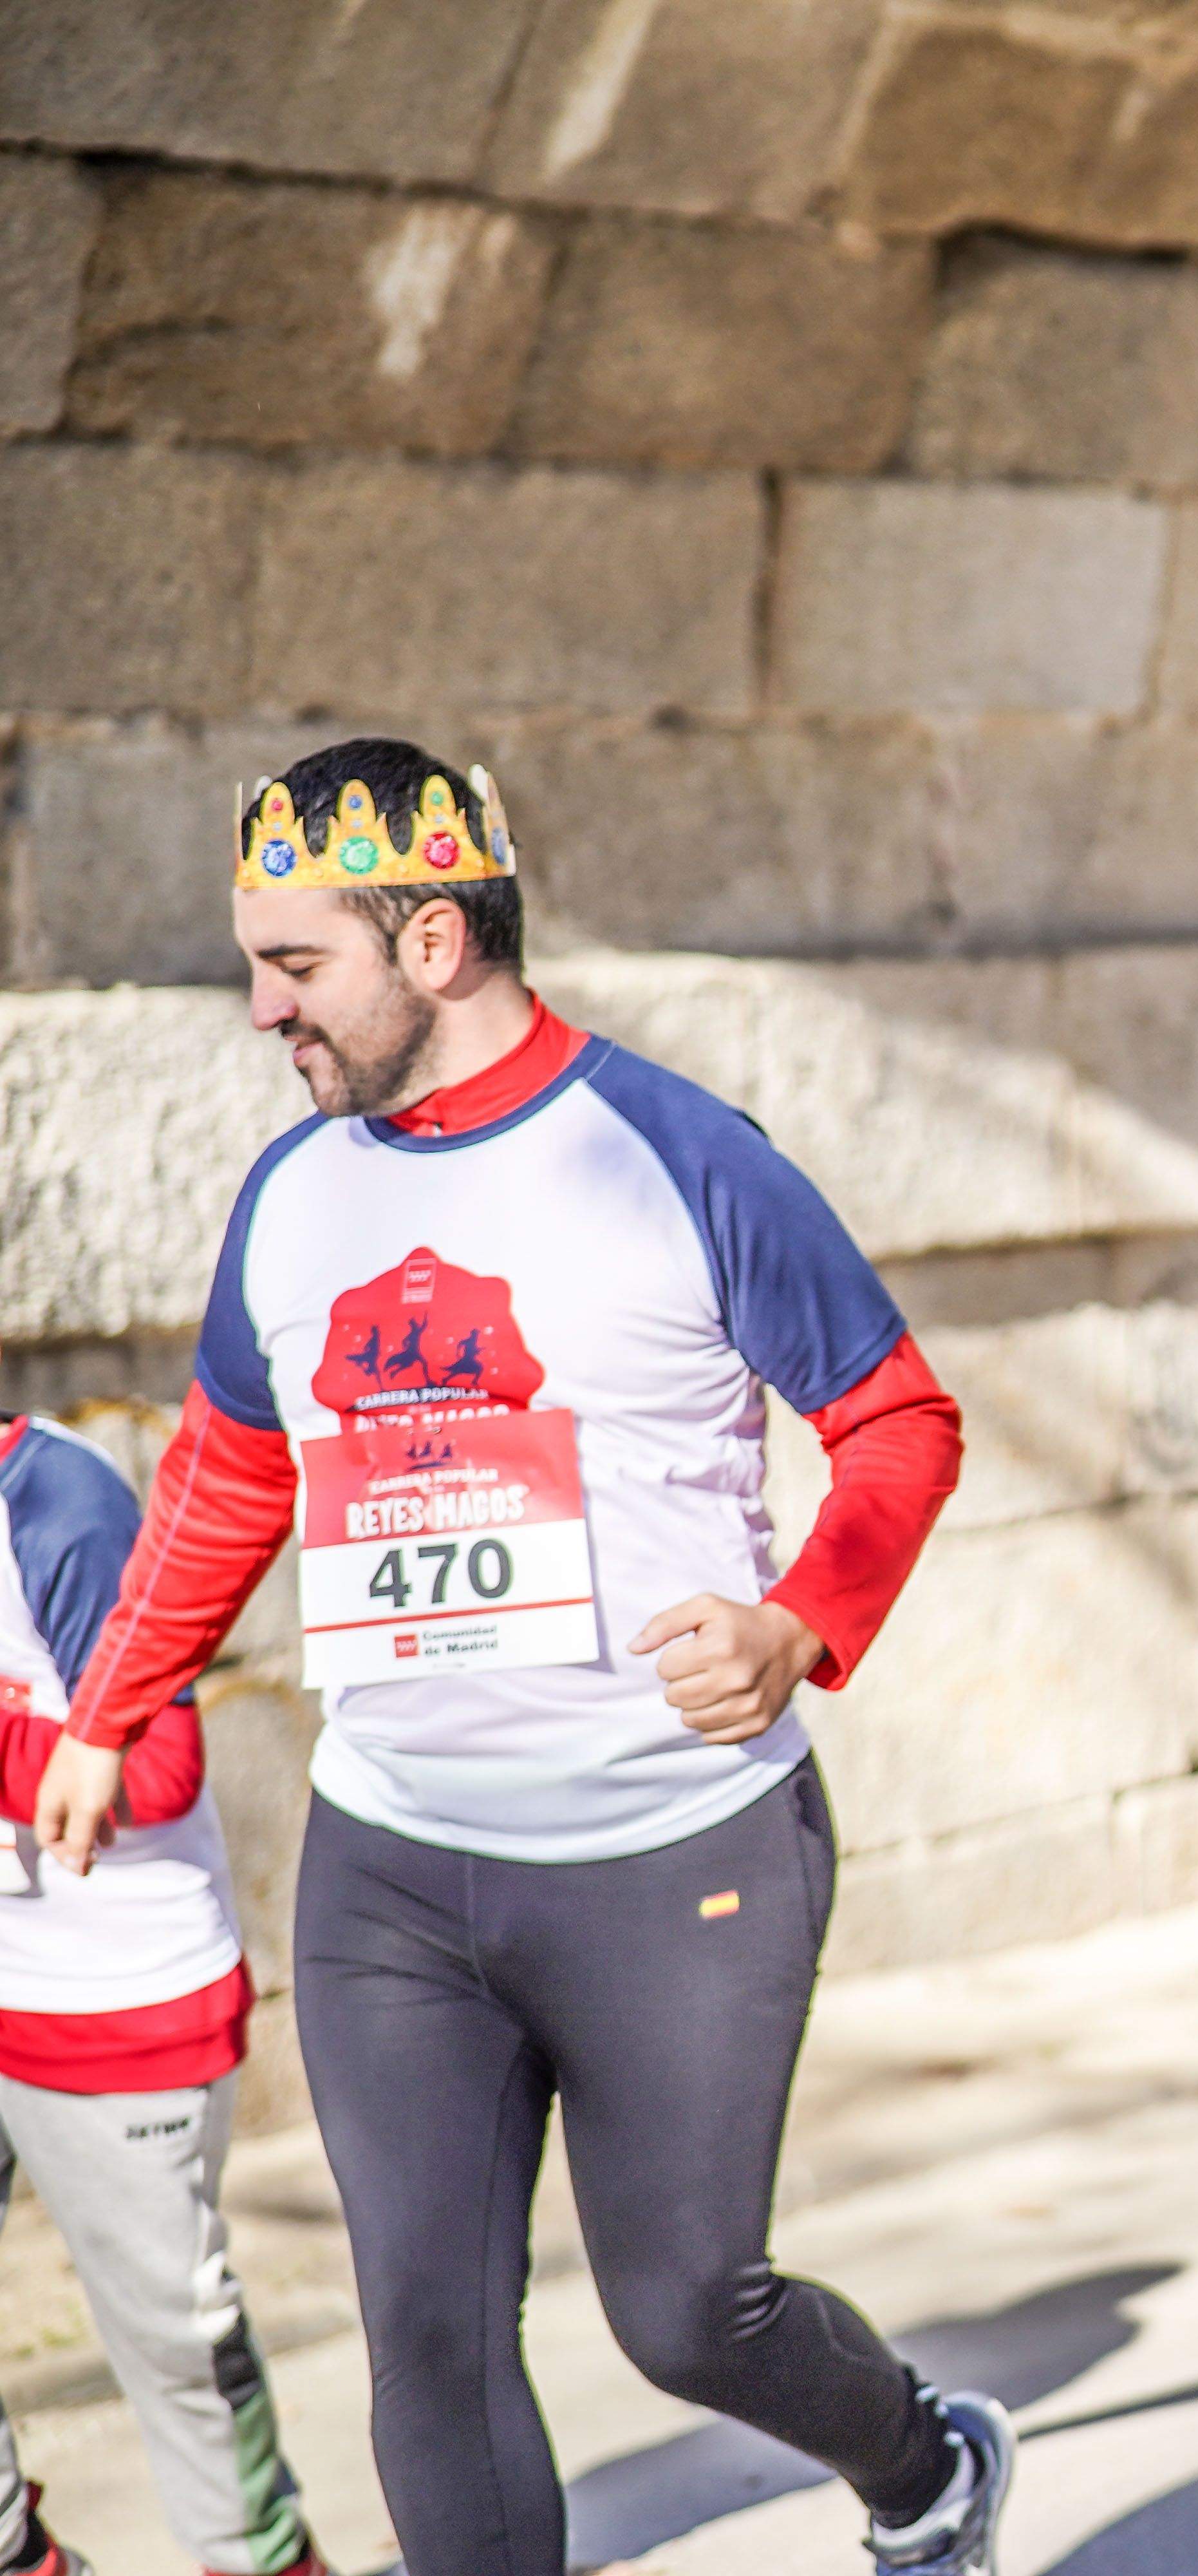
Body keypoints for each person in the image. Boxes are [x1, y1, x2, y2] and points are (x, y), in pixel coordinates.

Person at [50, 741, 1011, 2576]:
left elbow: (898, 1423)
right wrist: (114, 1708)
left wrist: (800, 1623)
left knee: (684, 2311)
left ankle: (921, 2466)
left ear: (432, 943)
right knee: (426, 2339)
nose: (261, 1011)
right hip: (395, 1868)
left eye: (294, 965)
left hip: (676, 1853)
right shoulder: (295, 1195)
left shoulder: (674, 1155)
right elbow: (229, 1480)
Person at [0, 1410, 325, 2576]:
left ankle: (267, 2560)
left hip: (107, 2001)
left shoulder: (55, 1502)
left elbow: (157, 1762)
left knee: (174, 2345)